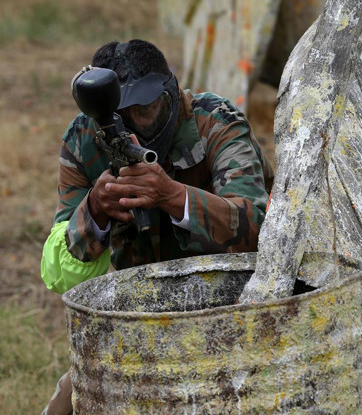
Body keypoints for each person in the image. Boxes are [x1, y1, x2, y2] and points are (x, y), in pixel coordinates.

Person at [40, 39, 273, 415]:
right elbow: (60, 275)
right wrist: (95, 211)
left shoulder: (215, 121)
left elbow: (263, 230)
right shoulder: (86, 138)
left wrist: (173, 196)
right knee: (68, 403)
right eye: (123, 113)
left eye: (146, 108)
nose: (136, 125)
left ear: (171, 91)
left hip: (234, 310)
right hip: (140, 316)